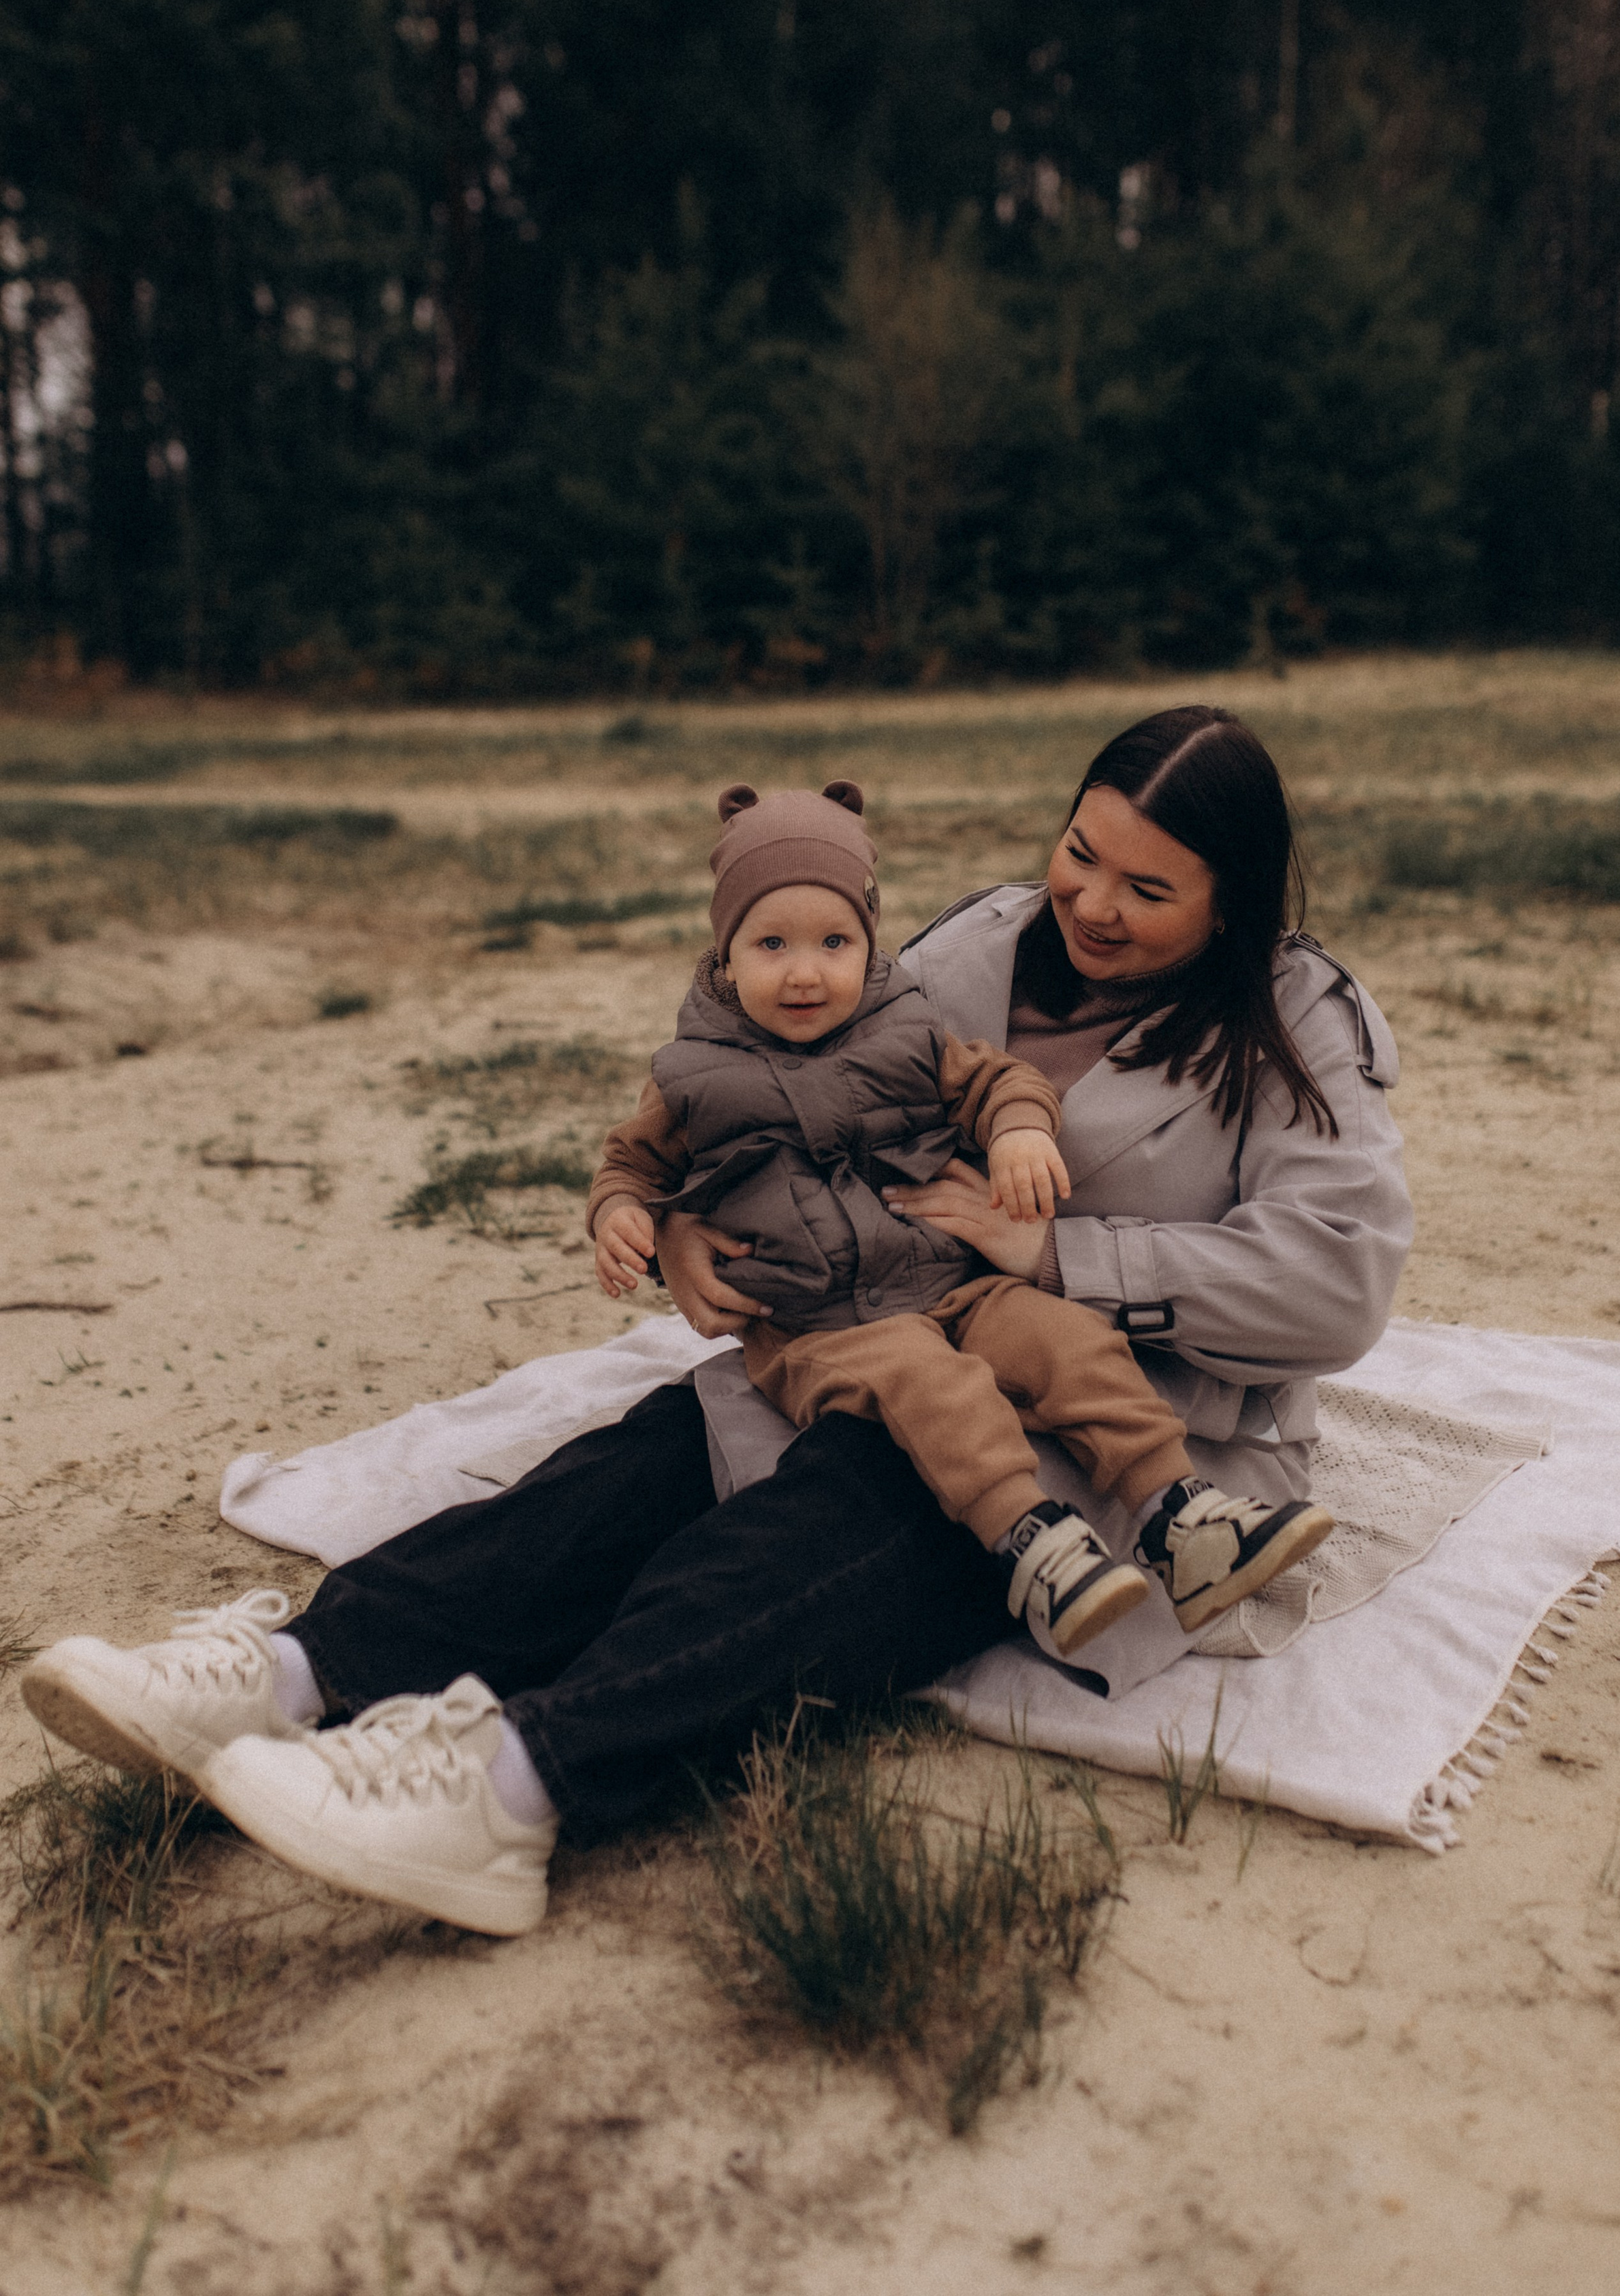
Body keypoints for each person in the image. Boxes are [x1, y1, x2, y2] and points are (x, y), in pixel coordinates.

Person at [22, 705, 1411, 1941]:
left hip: (1119, 1421)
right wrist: (688, 1219)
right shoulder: (978, 942)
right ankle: (290, 1670)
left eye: (1146, 887)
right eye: (1078, 853)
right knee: (637, 1464)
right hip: (881, 1318)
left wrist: (1061, 1250)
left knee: (830, 1525)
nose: (1090, 904)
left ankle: (511, 1785)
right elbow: (779, 1080)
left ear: (1230, 906)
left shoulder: (1294, 1021)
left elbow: (1337, 1279)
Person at [587, 778, 1331, 1661]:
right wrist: (626, 1213)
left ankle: (1178, 1512)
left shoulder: (902, 1025)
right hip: (821, 1325)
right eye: (771, 942)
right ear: (725, 951)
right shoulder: (691, 1073)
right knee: (937, 1387)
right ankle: (1032, 1543)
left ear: (868, 942)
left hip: (947, 1277)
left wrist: (1019, 1130)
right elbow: (632, 1161)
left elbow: (995, 1079)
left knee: (1066, 1340)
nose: (803, 969)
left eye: (835, 941)